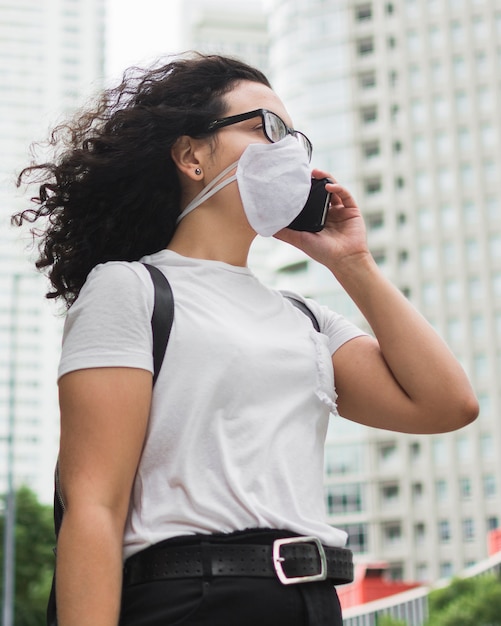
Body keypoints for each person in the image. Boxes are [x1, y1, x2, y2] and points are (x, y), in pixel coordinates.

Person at [13, 53, 478, 626]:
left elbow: (447, 404)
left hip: (313, 601)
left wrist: (353, 262)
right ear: (191, 155)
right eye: (267, 127)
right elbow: (94, 507)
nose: (290, 150)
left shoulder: (306, 318)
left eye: (296, 137)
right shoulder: (130, 288)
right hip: (193, 600)